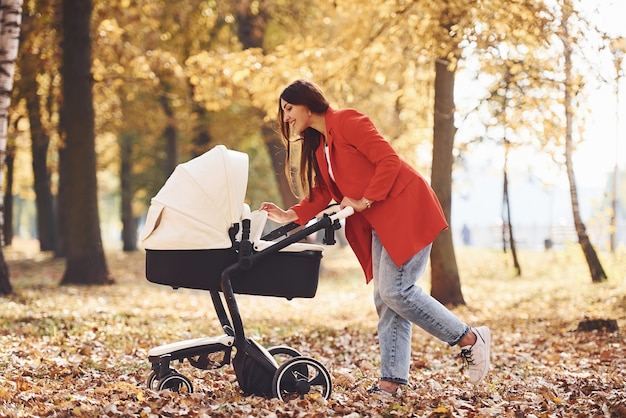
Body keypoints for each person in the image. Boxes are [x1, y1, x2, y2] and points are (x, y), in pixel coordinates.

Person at [260, 79, 491, 398]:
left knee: (397, 291)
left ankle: (469, 339)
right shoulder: (321, 144)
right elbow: (326, 191)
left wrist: (365, 200)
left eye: (288, 108)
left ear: (307, 103)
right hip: (383, 220)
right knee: (386, 297)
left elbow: (389, 161)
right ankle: (392, 383)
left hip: (406, 209)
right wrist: (290, 214)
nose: (286, 117)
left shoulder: (347, 121)